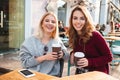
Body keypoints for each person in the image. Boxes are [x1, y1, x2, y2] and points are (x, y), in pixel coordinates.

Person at [19, 12, 69, 77]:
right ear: (42, 23)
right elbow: (24, 63)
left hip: (51, 77)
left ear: (56, 26)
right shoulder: (30, 41)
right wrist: (44, 57)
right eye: (47, 20)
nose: (50, 23)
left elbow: (67, 57)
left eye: (53, 22)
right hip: (33, 76)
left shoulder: (57, 41)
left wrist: (62, 54)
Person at [68, 6, 113, 74]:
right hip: (81, 72)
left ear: (86, 20)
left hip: (97, 74)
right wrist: (72, 54)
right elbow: (79, 51)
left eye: (82, 18)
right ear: (71, 20)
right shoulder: (74, 35)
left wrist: (89, 62)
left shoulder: (95, 35)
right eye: (75, 18)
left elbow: (109, 57)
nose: (78, 22)